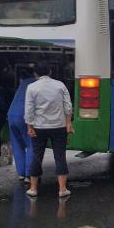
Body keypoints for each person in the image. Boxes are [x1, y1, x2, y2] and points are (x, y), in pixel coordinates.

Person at [24, 63, 74, 198]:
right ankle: (62, 189)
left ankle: (33, 189)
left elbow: (29, 110)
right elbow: (68, 106)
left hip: (39, 127)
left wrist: (30, 126)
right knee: (60, 156)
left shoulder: (31, 87)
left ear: (35, 74)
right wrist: (68, 123)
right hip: (59, 127)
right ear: (50, 71)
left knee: (36, 156)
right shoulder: (60, 85)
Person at [7, 68, 37, 183]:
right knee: (31, 144)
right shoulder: (37, 84)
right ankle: (29, 175)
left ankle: (21, 174)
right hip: (24, 117)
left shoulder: (24, 83)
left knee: (17, 145)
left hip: (11, 115)